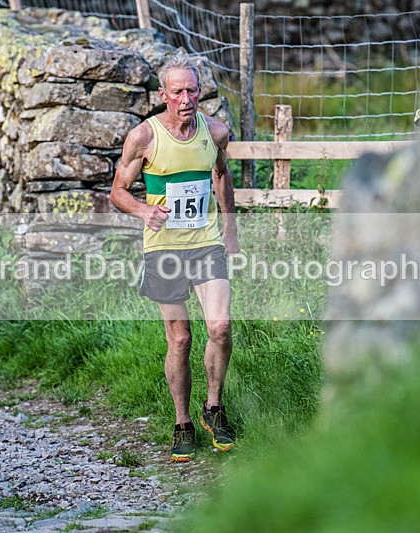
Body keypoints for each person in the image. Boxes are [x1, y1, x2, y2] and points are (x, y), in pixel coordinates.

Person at [109, 54, 240, 462]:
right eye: (178, 91)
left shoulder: (216, 131)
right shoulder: (143, 138)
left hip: (205, 242)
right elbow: (117, 191)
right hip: (164, 247)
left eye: (193, 90)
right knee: (180, 339)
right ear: (163, 95)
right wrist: (145, 210)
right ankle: (182, 421)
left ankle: (213, 408)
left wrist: (230, 227)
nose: (186, 98)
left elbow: (221, 174)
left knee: (219, 327)